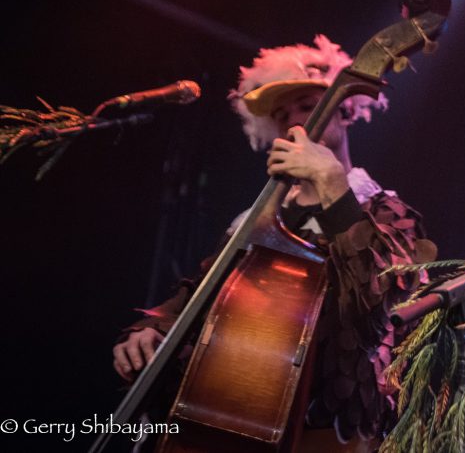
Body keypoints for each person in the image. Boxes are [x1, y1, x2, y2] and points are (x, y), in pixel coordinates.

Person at [112, 35, 436, 452]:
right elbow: (197, 299)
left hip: (323, 436)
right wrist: (151, 329)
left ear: (346, 108)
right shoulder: (254, 223)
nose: (294, 121)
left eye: (306, 105)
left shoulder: (385, 213)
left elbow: (378, 312)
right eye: (282, 115)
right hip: (230, 417)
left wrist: (332, 184)